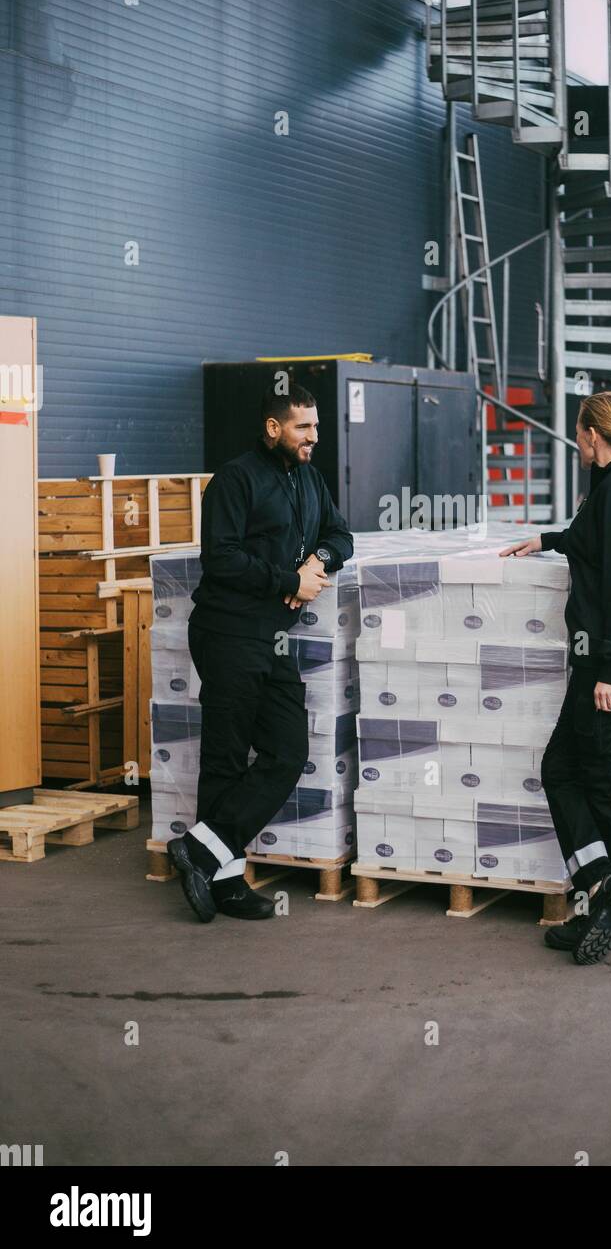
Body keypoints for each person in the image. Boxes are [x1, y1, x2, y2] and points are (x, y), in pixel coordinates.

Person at [168, 383, 354, 923]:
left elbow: (341, 535)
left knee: (287, 750)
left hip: (271, 637)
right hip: (227, 631)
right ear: (274, 428)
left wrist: (317, 563)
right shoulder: (235, 479)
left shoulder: (310, 479)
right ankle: (224, 883)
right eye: (303, 427)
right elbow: (220, 559)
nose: (313, 437)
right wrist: (285, 581)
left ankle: (200, 851)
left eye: (316, 427)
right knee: (225, 759)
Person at [500, 390, 611, 964]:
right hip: (601, 657)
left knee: (600, 773)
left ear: (593, 435)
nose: (576, 441)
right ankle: (605, 890)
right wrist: (547, 541)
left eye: (578, 433)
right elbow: (592, 544)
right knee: (573, 769)